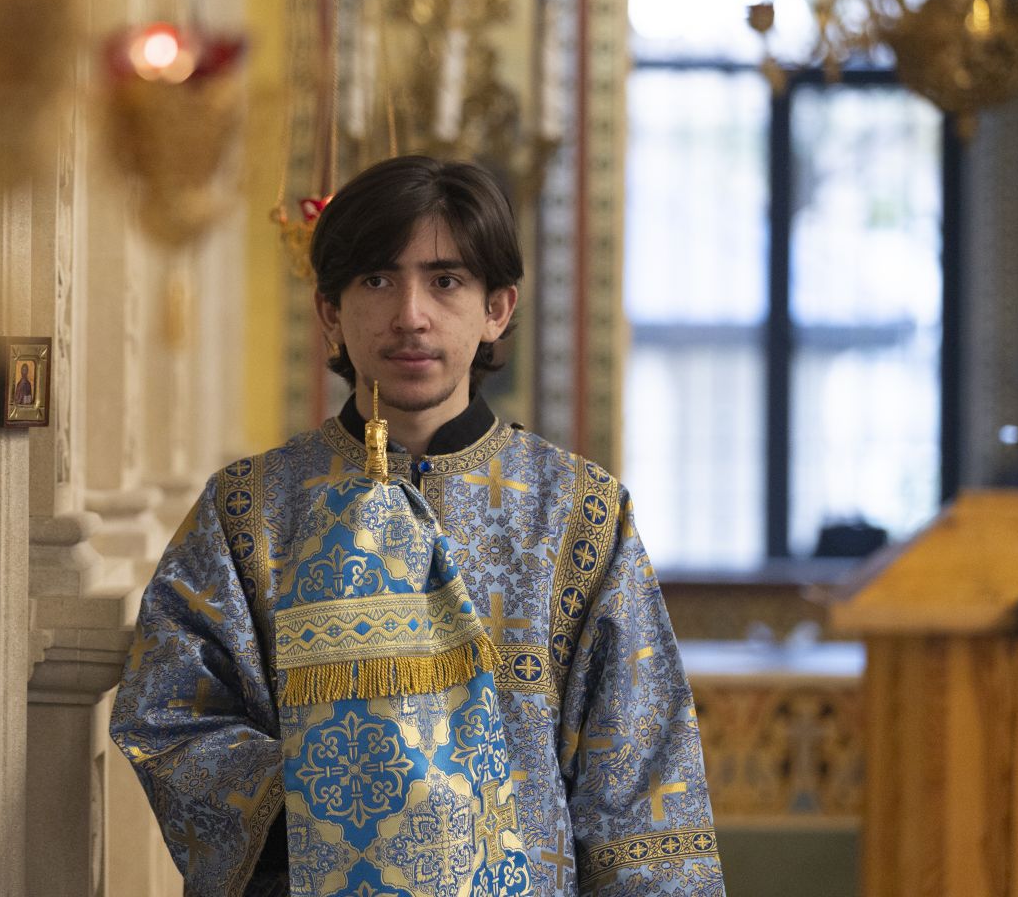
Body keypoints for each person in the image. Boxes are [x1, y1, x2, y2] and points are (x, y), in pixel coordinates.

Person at [111, 156, 723, 896]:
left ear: (498, 308)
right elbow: (169, 714)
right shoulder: (247, 511)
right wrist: (328, 804)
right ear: (330, 312)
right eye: (376, 280)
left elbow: (642, 773)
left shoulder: (581, 513)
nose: (410, 315)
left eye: (446, 281)